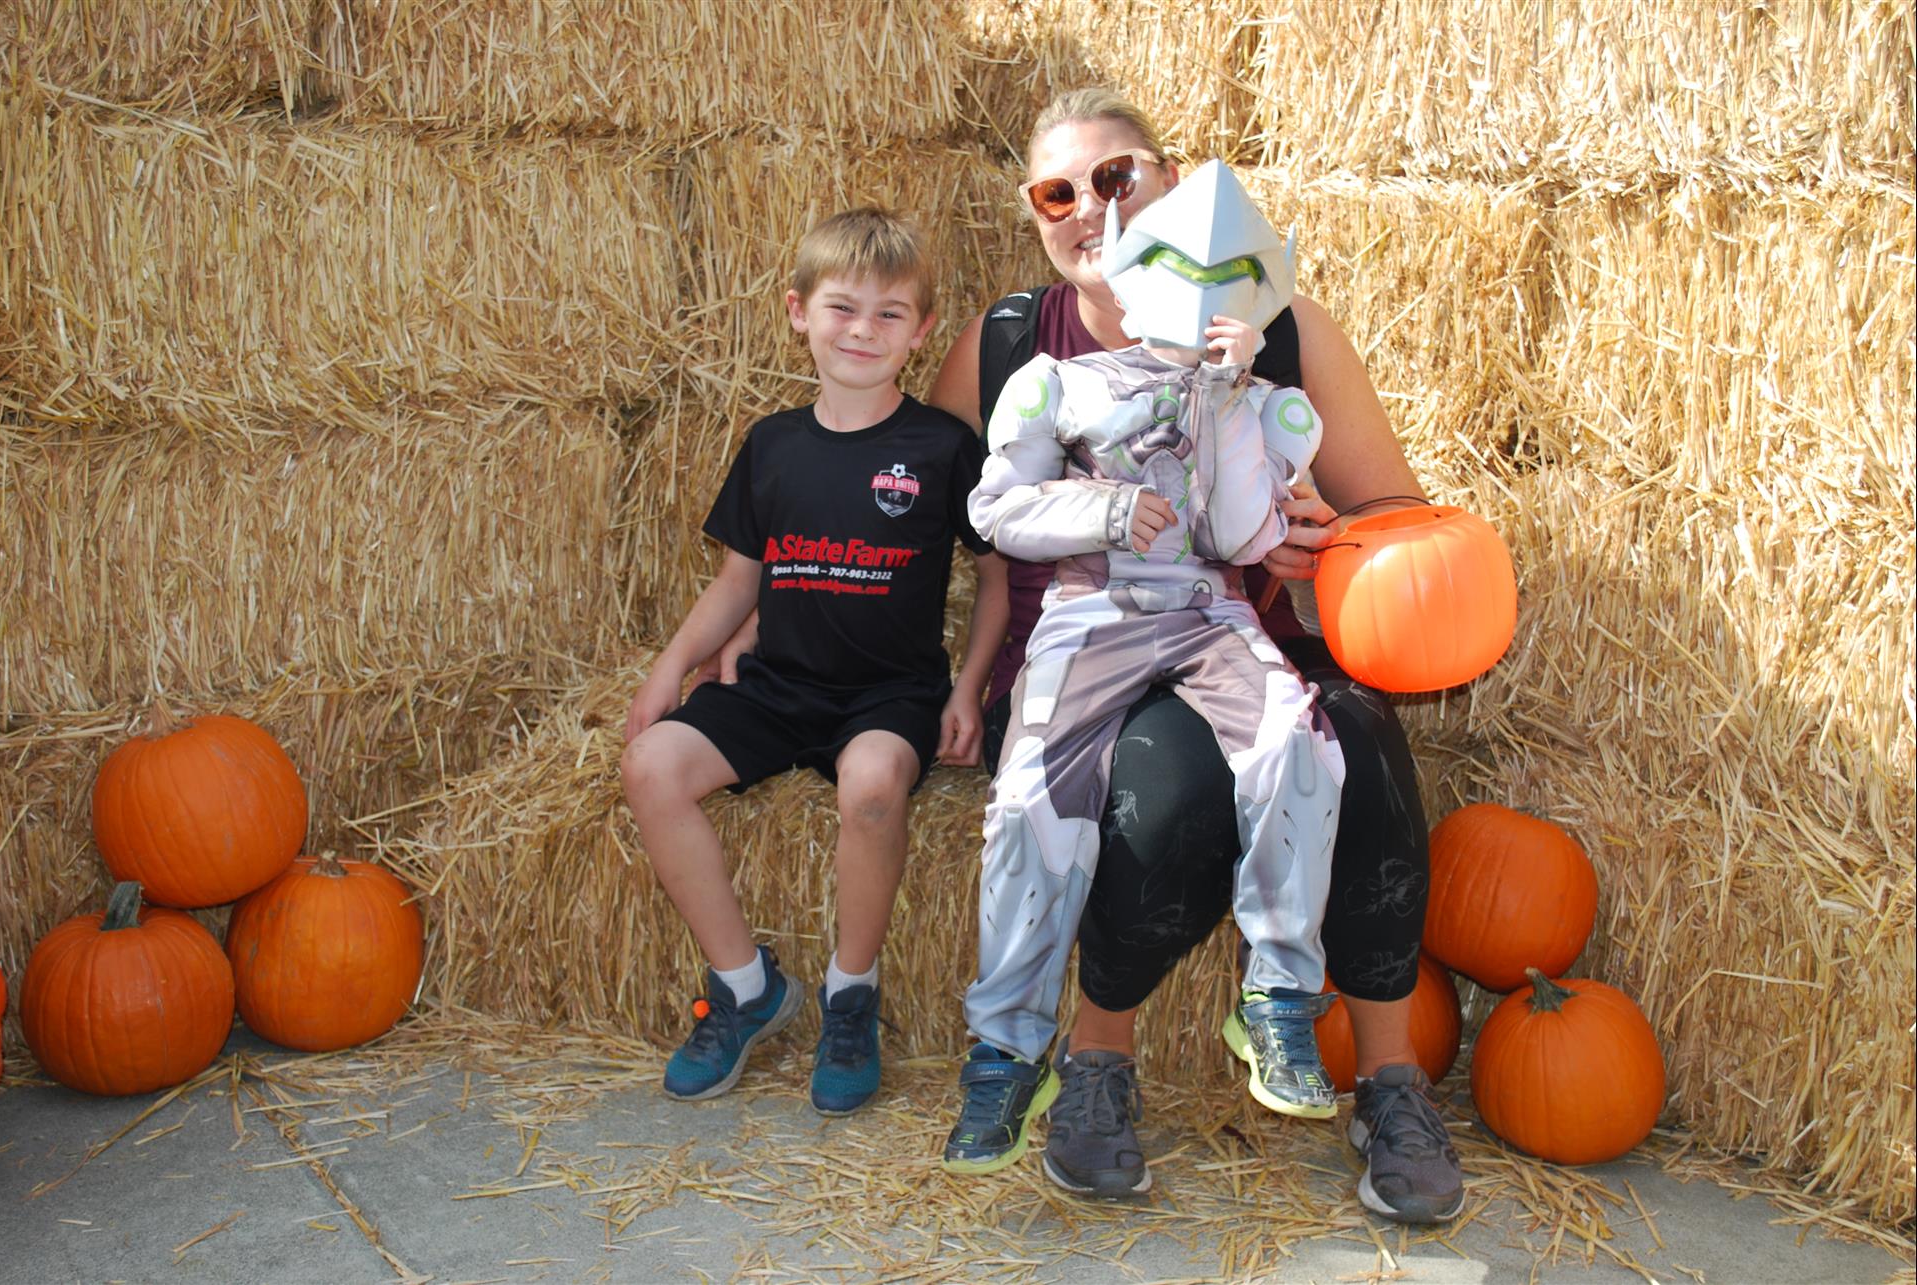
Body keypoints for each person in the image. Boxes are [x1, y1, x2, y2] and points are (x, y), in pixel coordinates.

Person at [925, 88, 1463, 1223]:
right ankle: (1093, 1068)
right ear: (1035, 215)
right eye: (1058, 192)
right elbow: (952, 522)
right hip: (1085, 639)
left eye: (1118, 177)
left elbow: (1401, 520)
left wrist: (1315, 529)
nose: (1091, 209)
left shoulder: (1278, 329)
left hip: (1243, 625)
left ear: (1176, 183)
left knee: (1350, 738)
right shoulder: (1016, 344)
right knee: (1157, 794)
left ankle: (1388, 1079)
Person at [942, 161, 1347, 1191]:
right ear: (1126, 271)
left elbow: (1246, 535)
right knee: (1033, 796)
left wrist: (1228, 404)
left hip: (1208, 612)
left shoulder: (1265, 405)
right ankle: (1006, 1049)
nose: (1206, 286)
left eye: (1236, 271)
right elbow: (996, 512)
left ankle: (1279, 1001)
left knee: (1298, 742)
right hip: (1093, 610)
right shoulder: (1058, 384)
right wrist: (1105, 512)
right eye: (1176, 261)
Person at [621, 207, 1008, 1117]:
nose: (863, 331)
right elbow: (737, 581)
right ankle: (747, 984)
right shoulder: (772, 444)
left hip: (890, 693)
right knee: (650, 765)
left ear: (919, 332)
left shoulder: (943, 448)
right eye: (843, 308)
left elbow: (996, 578)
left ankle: (850, 993)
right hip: (779, 686)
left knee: (872, 785)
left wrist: (968, 689)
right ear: (798, 313)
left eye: (888, 314)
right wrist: (672, 664)